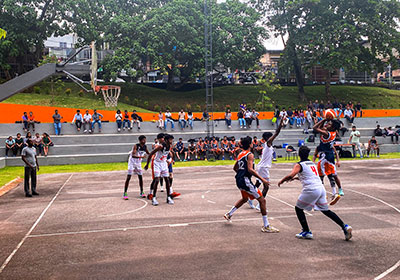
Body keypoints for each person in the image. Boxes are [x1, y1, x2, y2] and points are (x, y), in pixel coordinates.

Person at [278, 146, 353, 241]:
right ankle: (344, 226)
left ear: (299, 154)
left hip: (311, 189)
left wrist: (282, 180)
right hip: (321, 188)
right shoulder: (311, 164)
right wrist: (297, 178)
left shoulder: (299, 165)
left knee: (298, 208)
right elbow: (309, 175)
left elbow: (291, 174)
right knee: (326, 211)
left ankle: (306, 231)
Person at [224, 136, 279, 233]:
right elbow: (250, 169)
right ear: (250, 144)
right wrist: (262, 179)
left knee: (245, 198)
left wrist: (241, 173)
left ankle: (229, 214)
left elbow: (235, 168)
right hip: (245, 180)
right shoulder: (250, 155)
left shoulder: (240, 154)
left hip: (239, 179)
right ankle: (266, 226)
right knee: (262, 200)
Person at [248, 118, 284, 210]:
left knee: (257, 184)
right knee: (266, 187)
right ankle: (260, 204)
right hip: (263, 168)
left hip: (261, 167)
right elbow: (276, 133)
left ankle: (250, 198)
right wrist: (280, 124)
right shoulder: (268, 143)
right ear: (268, 138)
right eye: (271, 137)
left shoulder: (268, 146)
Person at [313, 118, 344, 204]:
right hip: (329, 156)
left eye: (329, 124)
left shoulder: (327, 133)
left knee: (321, 176)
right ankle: (334, 193)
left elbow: (315, 128)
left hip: (325, 156)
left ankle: (323, 194)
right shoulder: (333, 133)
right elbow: (320, 128)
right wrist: (325, 122)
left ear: (333, 127)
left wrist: (324, 119)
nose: (327, 125)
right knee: (331, 175)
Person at [144, 133, 174, 206]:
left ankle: (168, 197)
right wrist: (147, 164)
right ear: (166, 140)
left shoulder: (169, 146)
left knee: (167, 180)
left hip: (163, 163)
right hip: (157, 163)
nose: (172, 141)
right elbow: (151, 154)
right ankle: (154, 197)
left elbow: (170, 153)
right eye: (170, 140)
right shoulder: (160, 146)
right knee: (157, 179)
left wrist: (171, 159)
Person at [123, 135, 150, 200]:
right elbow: (133, 155)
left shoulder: (145, 147)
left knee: (140, 177)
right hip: (132, 162)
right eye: (143, 140)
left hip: (138, 163)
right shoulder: (136, 146)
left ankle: (141, 191)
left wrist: (154, 155)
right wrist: (141, 157)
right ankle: (125, 192)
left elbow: (149, 153)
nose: (145, 141)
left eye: (145, 139)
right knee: (129, 177)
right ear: (140, 140)